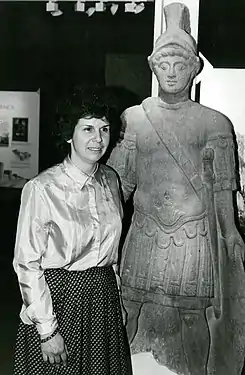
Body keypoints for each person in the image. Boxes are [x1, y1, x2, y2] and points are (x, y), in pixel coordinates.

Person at [108, 3, 245, 375]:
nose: (171, 73)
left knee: (191, 319)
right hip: (145, 232)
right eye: (163, 65)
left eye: (180, 65)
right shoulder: (134, 118)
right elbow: (119, 183)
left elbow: (222, 188)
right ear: (153, 68)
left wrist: (230, 232)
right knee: (129, 309)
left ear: (194, 70)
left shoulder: (215, 123)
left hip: (192, 234)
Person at [13, 88, 131, 375]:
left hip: (102, 302)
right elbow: (27, 264)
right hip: (59, 302)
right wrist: (47, 331)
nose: (98, 138)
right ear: (69, 134)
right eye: (88, 128)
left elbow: (111, 253)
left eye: (104, 129)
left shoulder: (111, 180)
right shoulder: (42, 189)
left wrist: (116, 298)